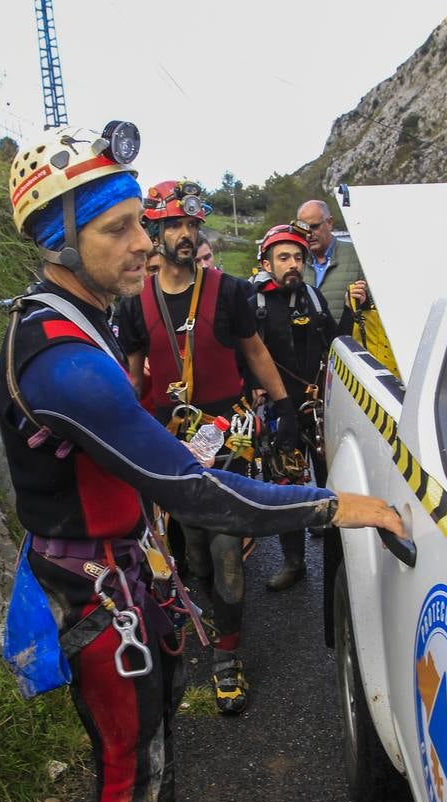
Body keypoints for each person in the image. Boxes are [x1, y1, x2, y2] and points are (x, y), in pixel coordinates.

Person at [0, 123, 403, 802]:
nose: (143, 246)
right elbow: (199, 490)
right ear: (58, 242)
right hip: (94, 583)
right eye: (117, 230)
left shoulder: (79, 313)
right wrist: (334, 503)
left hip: (119, 559)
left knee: (153, 714)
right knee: (125, 753)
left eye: (140, 225)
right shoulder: (63, 359)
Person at [116, 179, 299, 716]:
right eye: (174, 224)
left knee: (226, 549)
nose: (186, 234)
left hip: (225, 435)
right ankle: (203, 611)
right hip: (167, 442)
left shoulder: (232, 291)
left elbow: (255, 351)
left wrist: (285, 409)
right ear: (154, 231)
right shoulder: (134, 305)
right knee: (191, 550)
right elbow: (130, 382)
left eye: (192, 225)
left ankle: (226, 657)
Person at [247, 222, 353, 590]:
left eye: (297, 257)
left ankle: (338, 547)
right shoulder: (254, 301)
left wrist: (354, 310)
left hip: (318, 406)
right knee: (283, 484)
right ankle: (294, 562)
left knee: (331, 475)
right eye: (283, 257)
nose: (292, 263)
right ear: (267, 262)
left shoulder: (313, 295)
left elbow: (337, 341)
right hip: (279, 411)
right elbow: (242, 355)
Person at [297, 199, 400, 376]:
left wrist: (364, 298)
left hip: (351, 361)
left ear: (329, 223)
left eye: (313, 227)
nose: (308, 234)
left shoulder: (358, 255)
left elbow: (381, 304)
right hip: (309, 362)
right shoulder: (296, 263)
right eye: (303, 229)